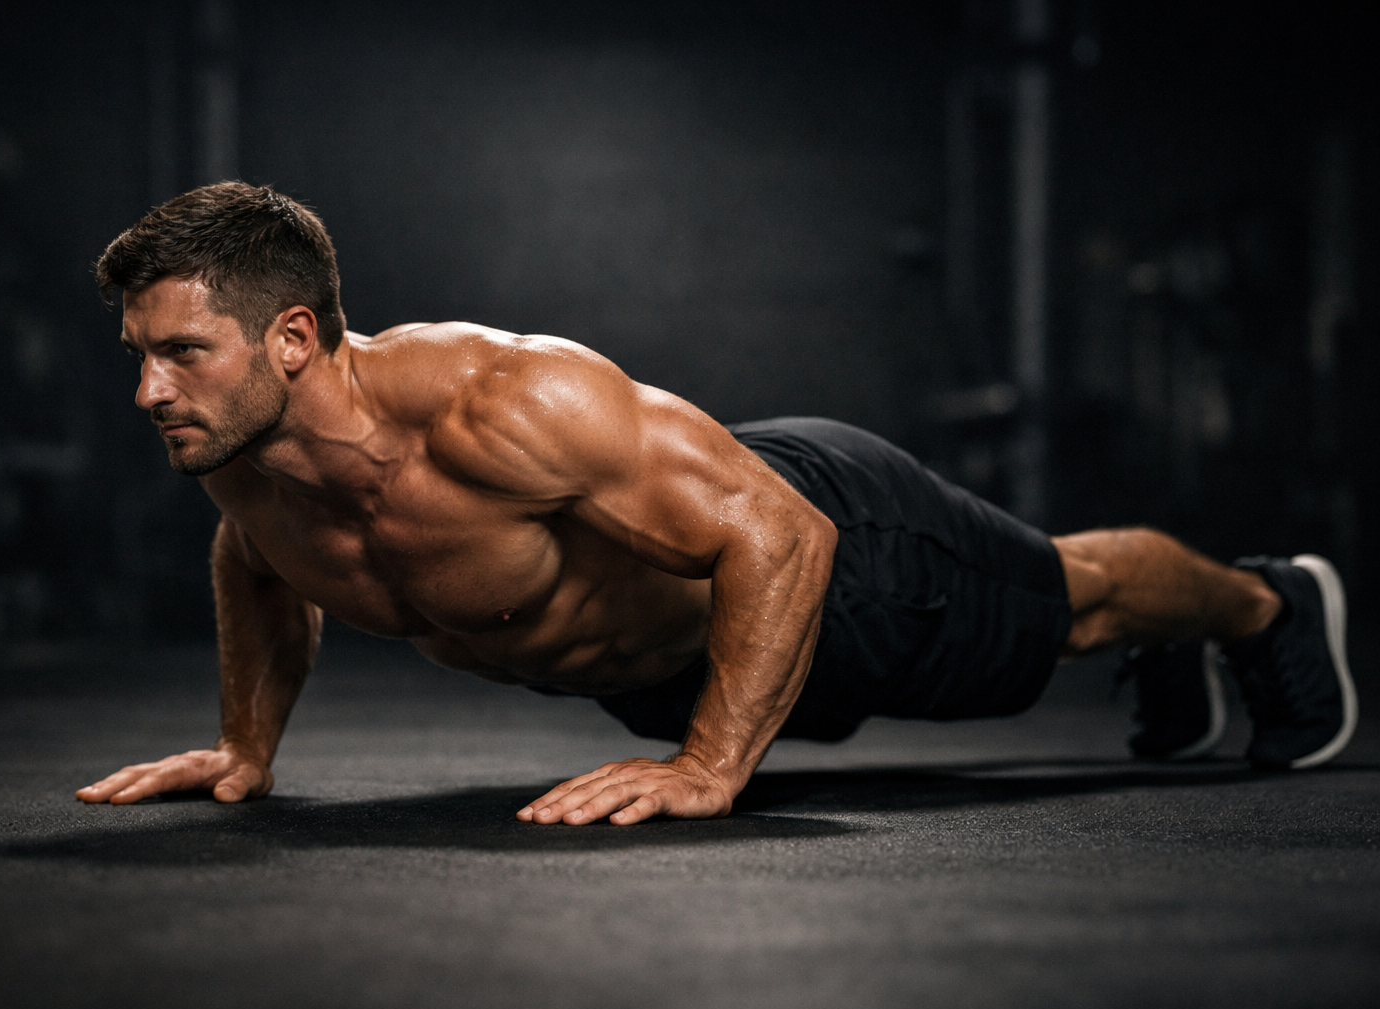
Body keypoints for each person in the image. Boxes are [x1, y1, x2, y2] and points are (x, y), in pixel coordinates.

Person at [77, 183, 1358, 826]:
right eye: (138, 353)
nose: (148, 389)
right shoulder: (245, 457)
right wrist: (249, 748)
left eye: (181, 351)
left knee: (1063, 609)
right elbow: (256, 564)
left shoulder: (502, 403)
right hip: (679, 650)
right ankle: (1187, 637)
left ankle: (1267, 603)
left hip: (828, 542)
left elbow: (779, 535)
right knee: (1050, 625)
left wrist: (709, 768)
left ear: (293, 336)